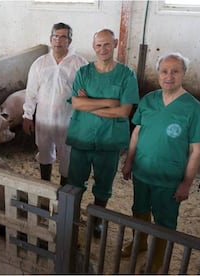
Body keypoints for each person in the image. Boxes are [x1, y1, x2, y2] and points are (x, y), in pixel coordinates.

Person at [121, 53, 200, 273]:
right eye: (164, 71)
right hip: (142, 171)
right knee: (139, 209)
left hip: (170, 178)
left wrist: (186, 183)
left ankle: (157, 259)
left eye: (175, 71)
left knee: (165, 220)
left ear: (183, 74)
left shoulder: (193, 108)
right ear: (158, 73)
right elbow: (136, 133)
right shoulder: (149, 100)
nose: (168, 76)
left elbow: (196, 150)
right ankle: (140, 242)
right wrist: (129, 161)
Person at [66, 28, 139, 238]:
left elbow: (124, 111)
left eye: (107, 44)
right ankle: (72, 218)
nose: (103, 49)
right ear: (93, 47)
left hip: (109, 140)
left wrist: (90, 103)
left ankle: (97, 220)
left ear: (115, 44)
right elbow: (77, 104)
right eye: (98, 45)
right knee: (75, 181)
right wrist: (109, 103)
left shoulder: (126, 75)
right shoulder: (84, 72)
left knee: (104, 183)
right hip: (82, 137)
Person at [22, 22, 87, 185]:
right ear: (50, 39)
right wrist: (27, 115)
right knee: (44, 150)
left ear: (69, 41)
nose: (58, 40)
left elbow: (85, 93)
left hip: (68, 119)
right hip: (44, 118)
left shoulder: (80, 64)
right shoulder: (40, 63)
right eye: (55, 37)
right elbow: (31, 91)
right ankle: (45, 186)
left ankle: (63, 192)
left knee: (67, 154)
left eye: (63, 37)